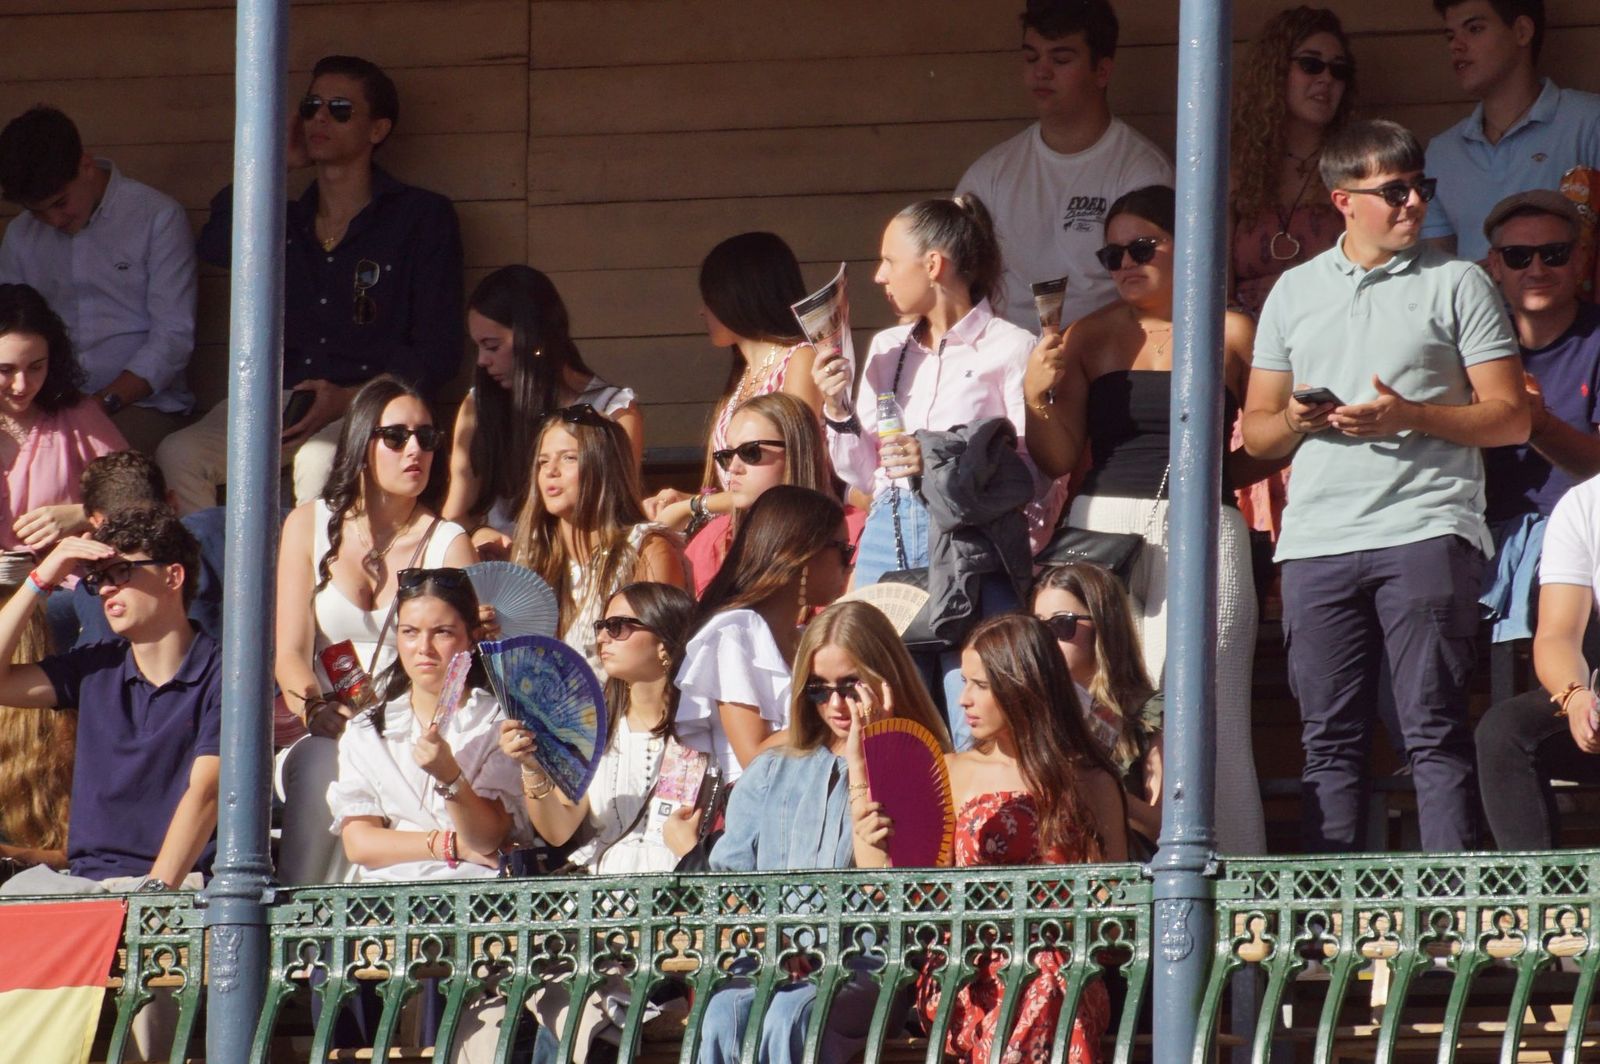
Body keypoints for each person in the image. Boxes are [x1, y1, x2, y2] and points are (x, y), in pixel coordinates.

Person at [1241, 119, 1527, 854]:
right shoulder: (1294, 292)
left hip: (1425, 528)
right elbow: (1260, 432)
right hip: (1317, 539)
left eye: (1419, 187)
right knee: (1327, 742)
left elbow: (1510, 418)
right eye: (1393, 190)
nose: (1413, 204)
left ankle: (1450, 919)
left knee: (1432, 730)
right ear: (1343, 200)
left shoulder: (1457, 279)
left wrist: (1410, 415)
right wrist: (1302, 421)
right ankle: (1330, 930)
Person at [1025, 185, 1271, 854]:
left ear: (1187, 245)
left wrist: (1220, 477)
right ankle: (1128, 890)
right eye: (1113, 253)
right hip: (1103, 521)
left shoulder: (1233, 330)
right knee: (1100, 704)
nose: (1126, 264)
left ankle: (1240, 923)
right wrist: (1033, 396)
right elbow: (1056, 455)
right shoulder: (1091, 333)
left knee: (1211, 710)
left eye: (1142, 247)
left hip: (1203, 525)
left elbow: (1272, 435)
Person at [159, 54, 465, 513]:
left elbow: (436, 349)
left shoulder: (420, 217)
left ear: (377, 130)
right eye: (311, 106)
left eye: (340, 109)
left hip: (371, 397)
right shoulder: (284, 217)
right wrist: (272, 164)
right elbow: (217, 245)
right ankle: (216, 582)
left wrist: (349, 399)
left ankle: (311, 585)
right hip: (281, 400)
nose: (320, 117)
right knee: (179, 454)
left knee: (318, 463)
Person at [686, 599, 951, 1064]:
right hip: (773, 954)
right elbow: (728, 881)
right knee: (724, 1014)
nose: (835, 704)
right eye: (819, 690)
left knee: (792, 1014)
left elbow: (906, 896)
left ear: (883, 679)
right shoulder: (771, 768)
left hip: (867, 964)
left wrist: (873, 754)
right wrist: (769, 937)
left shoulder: (918, 764)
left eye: (850, 686)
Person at [855, 613, 1125, 1064]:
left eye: (980, 685)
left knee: (1045, 987)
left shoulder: (1090, 782)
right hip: (967, 968)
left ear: (1023, 686)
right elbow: (900, 892)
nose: (963, 700)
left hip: (1061, 971)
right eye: (965, 682)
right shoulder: (950, 773)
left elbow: (1117, 919)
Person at [275, 375, 476, 885]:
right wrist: (315, 709)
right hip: (325, 724)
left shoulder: (449, 542)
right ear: (362, 444)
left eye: (427, 439)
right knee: (324, 763)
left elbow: (464, 669)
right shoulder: (309, 524)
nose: (416, 451)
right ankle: (301, 935)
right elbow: (291, 654)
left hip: (415, 731)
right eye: (396, 437)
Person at [500, 581, 695, 1060]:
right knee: (569, 1006)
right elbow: (560, 830)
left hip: (676, 917)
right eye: (602, 626)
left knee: (578, 1014)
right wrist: (532, 767)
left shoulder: (704, 728)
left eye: (620, 626)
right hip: (599, 916)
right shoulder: (594, 731)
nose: (603, 637)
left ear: (665, 644)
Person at [1470, 191, 1600, 849]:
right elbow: (1559, 637)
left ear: (1581, 260)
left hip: (1552, 529)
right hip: (1483, 539)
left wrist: (1535, 422)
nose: (1537, 268)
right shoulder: (1470, 342)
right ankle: (1531, 912)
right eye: (1519, 255)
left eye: (1555, 253)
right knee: (1485, 728)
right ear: (1495, 265)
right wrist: (1577, 694)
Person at [0, 505, 219, 893]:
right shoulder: (95, 665)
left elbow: (206, 791)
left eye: (123, 572)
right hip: (84, 885)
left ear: (173, 575)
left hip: (181, 887)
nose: (105, 589)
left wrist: (154, 900)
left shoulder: (224, 670)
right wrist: (41, 577)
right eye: (99, 578)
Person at [955, 0, 1172, 332]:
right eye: (1031, 57)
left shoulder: (1142, 172)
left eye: (1060, 59)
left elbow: (1157, 295)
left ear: (1102, 71)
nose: (1041, 71)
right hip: (1005, 366)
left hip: (1108, 363)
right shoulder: (990, 174)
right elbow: (950, 279)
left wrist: (1074, 352)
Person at [1228, 7, 1357, 545]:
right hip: (1247, 369)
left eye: (1338, 69)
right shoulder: (1234, 165)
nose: (1325, 79)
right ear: (1275, 72)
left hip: (1330, 360)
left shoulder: (1354, 166)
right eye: (1310, 65)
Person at [0, 106, 197, 455]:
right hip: (42, 404)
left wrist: (99, 405)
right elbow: (9, 330)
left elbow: (173, 338)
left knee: (78, 463)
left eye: (60, 203)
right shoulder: (20, 234)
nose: (53, 220)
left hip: (140, 407)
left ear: (86, 165)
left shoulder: (157, 217)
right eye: (37, 211)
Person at [443, 265, 643, 555]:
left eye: (492, 346)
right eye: (478, 348)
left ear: (534, 338)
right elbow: (455, 513)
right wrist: (478, 533)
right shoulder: (479, 404)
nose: (482, 361)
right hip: (500, 574)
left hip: (581, 565)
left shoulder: (613, 412)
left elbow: (617, 517)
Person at [647, 232, 822, 533]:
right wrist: (687, 499)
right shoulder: (741, 376)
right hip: (740, 533)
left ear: (740, 296)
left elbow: (795, 474)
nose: (702, 311)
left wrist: (692, 506)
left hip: (783, 533)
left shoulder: (800, 359)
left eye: (710, 298)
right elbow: (742, 489)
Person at [676, 486, 853, 780]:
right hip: (755, 815)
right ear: (805, 554)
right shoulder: (735, 633)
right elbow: (753, 757)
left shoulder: (803, 637)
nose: (849, 565)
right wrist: (835, 718)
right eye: (844, 551)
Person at [509, 405, 686, 674]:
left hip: (622, 710)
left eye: (568, 458)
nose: (550, 471)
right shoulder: (532, 555)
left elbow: (664, 661)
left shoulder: (646, 549)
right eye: (543, 461)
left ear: (603, 466)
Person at [1423, 0, 1600, 262]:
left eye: (1474, 29)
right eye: (1450, 36)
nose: (1455, 45)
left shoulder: (1588, 121)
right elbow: (1437, 272)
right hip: (1474, 303)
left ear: (1522, 32)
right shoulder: (1442, 152)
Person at [1033, 563, 1163, 852]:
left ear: (1103, 626)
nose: (1046, 640)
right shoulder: (1033, 710)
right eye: (1038, 629)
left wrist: (1099, 789)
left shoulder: (1145, 713)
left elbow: (1163, 826)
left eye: (1061, 624)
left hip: (1122, 872)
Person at [681, 393, 865, 596]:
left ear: (796, 453)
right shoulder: (715, 539)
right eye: (726, 455)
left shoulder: (851, 531)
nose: (732, 468)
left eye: (750, 452)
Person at [0, 283, 126, 554]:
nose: (22, 385)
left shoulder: (78, 414)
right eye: (5, 370)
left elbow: (142, 501)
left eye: (36, 367)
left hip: (70, 590)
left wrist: (83, 515)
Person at [60, 450, 226, 647]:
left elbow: (98, 668)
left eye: (123, 572)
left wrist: (40, 581)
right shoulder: (225, 525)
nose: (109, 587)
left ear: (96, 522)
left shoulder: (96, 590)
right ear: (172, 502)